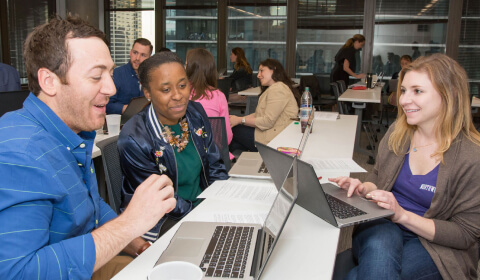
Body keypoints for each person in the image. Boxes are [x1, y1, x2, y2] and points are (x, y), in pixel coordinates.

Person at [0, 15, 176, 280]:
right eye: (96, 76)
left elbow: (90, 210)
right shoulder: (19, 154)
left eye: (110, 73)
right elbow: (18, 273)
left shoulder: (71, 130)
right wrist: (129, 223)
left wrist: (141, 245)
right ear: (49, 82)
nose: (112, 87)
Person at [330, 53, 480, 279]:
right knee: (380, 247)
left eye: (417, 91)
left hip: (434, 243)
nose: (403, 100)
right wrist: (364, 188)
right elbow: (379, 179)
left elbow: (465, 233)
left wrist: (401, 215)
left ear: (450, 95)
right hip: (383, 224)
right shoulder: (398, 134)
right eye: (403, 90)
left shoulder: (471, 156)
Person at [118, 52, 229, 241]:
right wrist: (201, 215)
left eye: (182, 85)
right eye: (166, 90)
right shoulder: (134, 137)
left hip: (204, 210)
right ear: (147, 93)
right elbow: (161, 200)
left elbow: (215, 165)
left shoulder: (195, 113)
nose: (178, 96)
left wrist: (223, 202)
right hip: (163, 221)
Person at [229, 59, 299, 152]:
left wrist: (239, 120)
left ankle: (221, 161)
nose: (258, 75)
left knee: (231, 131)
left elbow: (267, 121)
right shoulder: (275, 88)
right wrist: (236, 119)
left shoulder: (278, 89)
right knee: (233, 138)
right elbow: (259, 114)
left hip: (273, 138)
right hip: (273, 133)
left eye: (262, 70)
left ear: (273, 69)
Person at [186, 48, 234, 160]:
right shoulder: (219, 96)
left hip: (187, 159)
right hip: (214, 160)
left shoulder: (180, 94)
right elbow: (226, 137)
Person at [106, 38, 152, 114]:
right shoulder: (116, 74)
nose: (137, 58)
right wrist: (128, 109)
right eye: (135, 53)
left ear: (149, 58)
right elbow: (107, 104)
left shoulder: (152, 76)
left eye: (143, 55)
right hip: (122, 123)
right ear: (130, 53)